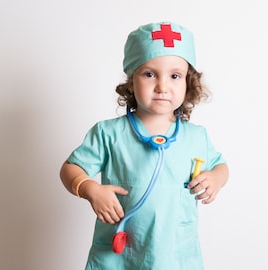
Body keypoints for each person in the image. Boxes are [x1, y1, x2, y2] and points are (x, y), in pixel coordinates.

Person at [60, 21, 229, 270]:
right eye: (149, 74)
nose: (162, 86)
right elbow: (70, 168)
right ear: (131, 81)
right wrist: (90, 189)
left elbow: (221, 167)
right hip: (121, 254)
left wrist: (215, 178)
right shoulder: (108, 133)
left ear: (188, 83)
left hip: (176, 255)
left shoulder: (197, 137)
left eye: (175, 76)